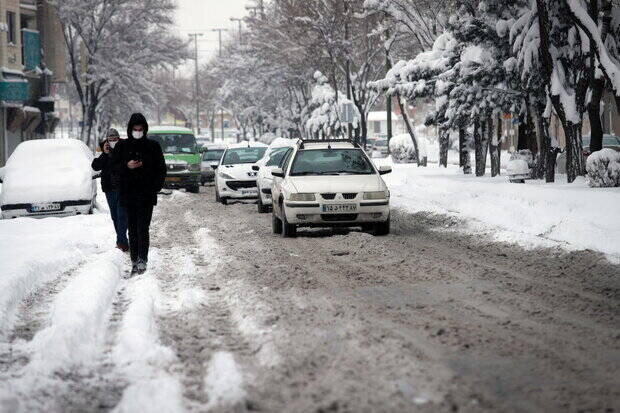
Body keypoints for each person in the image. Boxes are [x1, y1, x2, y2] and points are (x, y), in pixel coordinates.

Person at [111, 113, 166, 275]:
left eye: (140, 129)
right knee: (132, 229)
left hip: (146, 195)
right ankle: (134, 259)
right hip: (128, 194)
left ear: (145, 129)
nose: (137, 132)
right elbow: (113, 168)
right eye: (135, 129)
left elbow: (161, 169)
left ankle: (143, 259)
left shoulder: (153, 146)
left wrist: (155, 186)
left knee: (143, 228)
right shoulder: (122, 147)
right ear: (130, 129)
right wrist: (127, 166)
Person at [91, 128, 129, 252]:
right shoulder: (102, 148)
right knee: (115, 216)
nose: (113, 141)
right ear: (107, 139)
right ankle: (123, 239)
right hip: (109, 189)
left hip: (123, 188)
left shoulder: (124, 146)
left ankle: (121, 243)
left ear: (118, 138)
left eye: (115, 139)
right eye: (110, 139)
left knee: (122, 215)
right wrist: (104, 153)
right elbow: (95, 166)